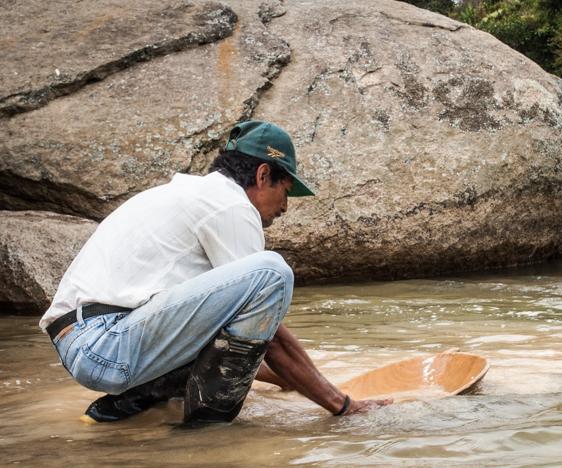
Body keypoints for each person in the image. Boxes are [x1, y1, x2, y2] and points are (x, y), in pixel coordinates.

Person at [40, 120, 390, 424]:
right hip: (107, 344)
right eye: (285, 192)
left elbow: (224, 335)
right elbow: (272, 336)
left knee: (224, 322)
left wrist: (284, 379)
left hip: (88, 344)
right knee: (271, 273)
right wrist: (341, 405)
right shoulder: (230, 206)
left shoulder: (192, 194)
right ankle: (206, 431)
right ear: (263, 174)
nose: (285, 206)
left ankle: (122, 410)